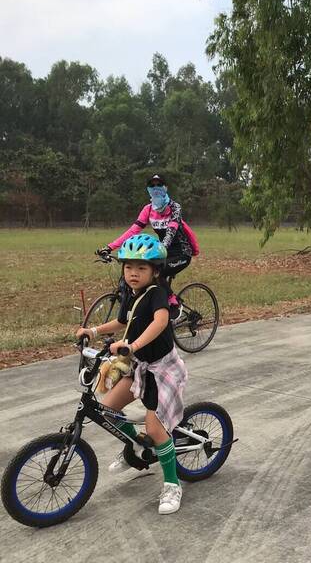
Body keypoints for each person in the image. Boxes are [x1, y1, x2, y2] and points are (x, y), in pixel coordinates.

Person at [76, 234, 188, 515]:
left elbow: (161, 321)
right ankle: (137, 447)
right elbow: (122, 321)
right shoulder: (131, 295)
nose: (133, 273)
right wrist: (94, 331)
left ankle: (173, 484)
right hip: (139, 365)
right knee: (107, 409)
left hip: (162, 369)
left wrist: (133, 345)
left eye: (141, 268)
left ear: (156, 271)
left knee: (155, 429)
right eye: (128, 267)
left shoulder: (157, 294)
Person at [100, 175, 200, 316]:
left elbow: (171, 230)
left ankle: (173, 304)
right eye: (152, 186)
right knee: (145, 274)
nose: (155, 189)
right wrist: (110, 247)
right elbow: (133, 230)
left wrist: (162, 247)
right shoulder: (148, 209)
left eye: (159, 185)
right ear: (148, 190)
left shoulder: (175, 207)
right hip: (162, 252)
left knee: (155, 273)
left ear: (165, 188)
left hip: (181, 253)